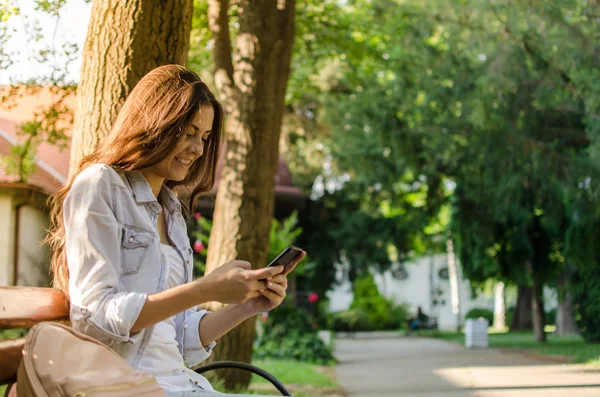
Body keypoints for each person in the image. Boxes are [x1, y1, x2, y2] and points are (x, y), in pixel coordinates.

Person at [45, 64, 306, 396]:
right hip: (125, 385)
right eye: (189, 133)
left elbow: (179, 339)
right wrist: (204, 290)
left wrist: (248, 305)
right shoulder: (101, 185)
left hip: (178, 384)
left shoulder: (172, 212)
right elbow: (94, 318)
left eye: (205, 138)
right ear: (156, 124)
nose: (198, 149)